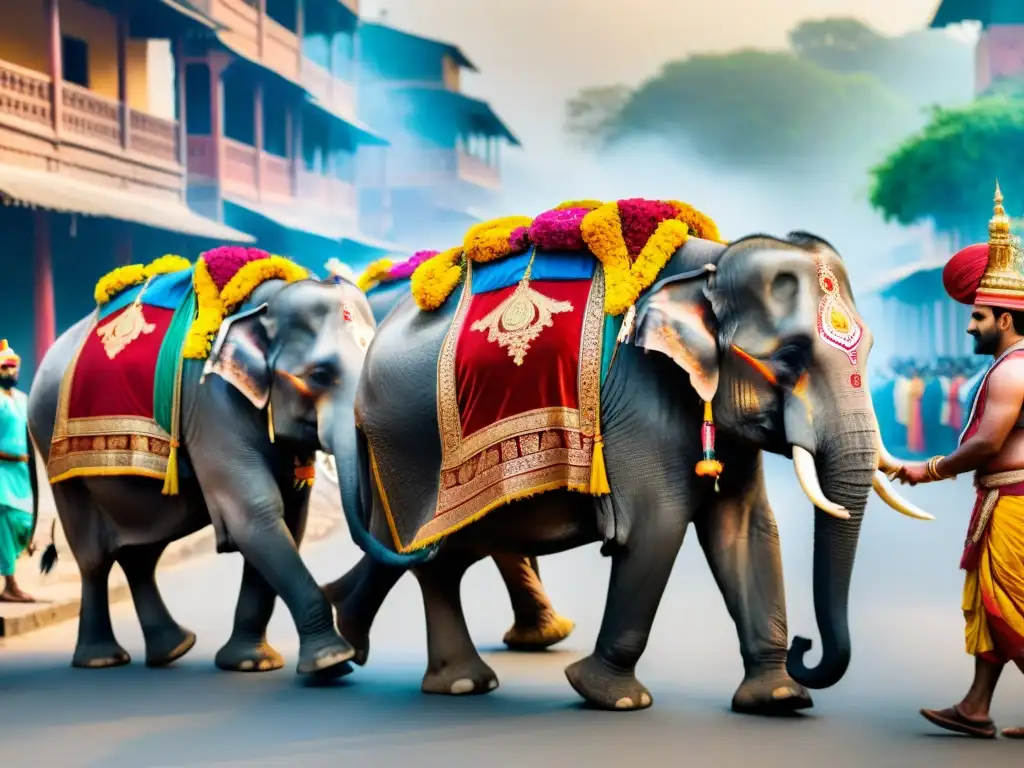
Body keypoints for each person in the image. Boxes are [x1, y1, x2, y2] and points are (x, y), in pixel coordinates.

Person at [897, 185, 1024, 739]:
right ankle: (975, 707)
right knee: (991, 604)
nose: (969, 326)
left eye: (977, 316)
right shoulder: (1009, 366)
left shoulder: (1013, 370)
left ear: (1006, 318)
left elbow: (987, 442)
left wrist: (930, 469)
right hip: (1001, 499)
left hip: (1016, 502)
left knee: (1008, 606)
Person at [0, 339, 37, 602]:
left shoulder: (24, 399)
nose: (10, 372)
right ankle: (10, 585)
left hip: (23, 473)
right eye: (5, 367)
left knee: (25, 524)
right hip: (2, 472)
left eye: (13, 367)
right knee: (6, 524)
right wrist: (11, 456)